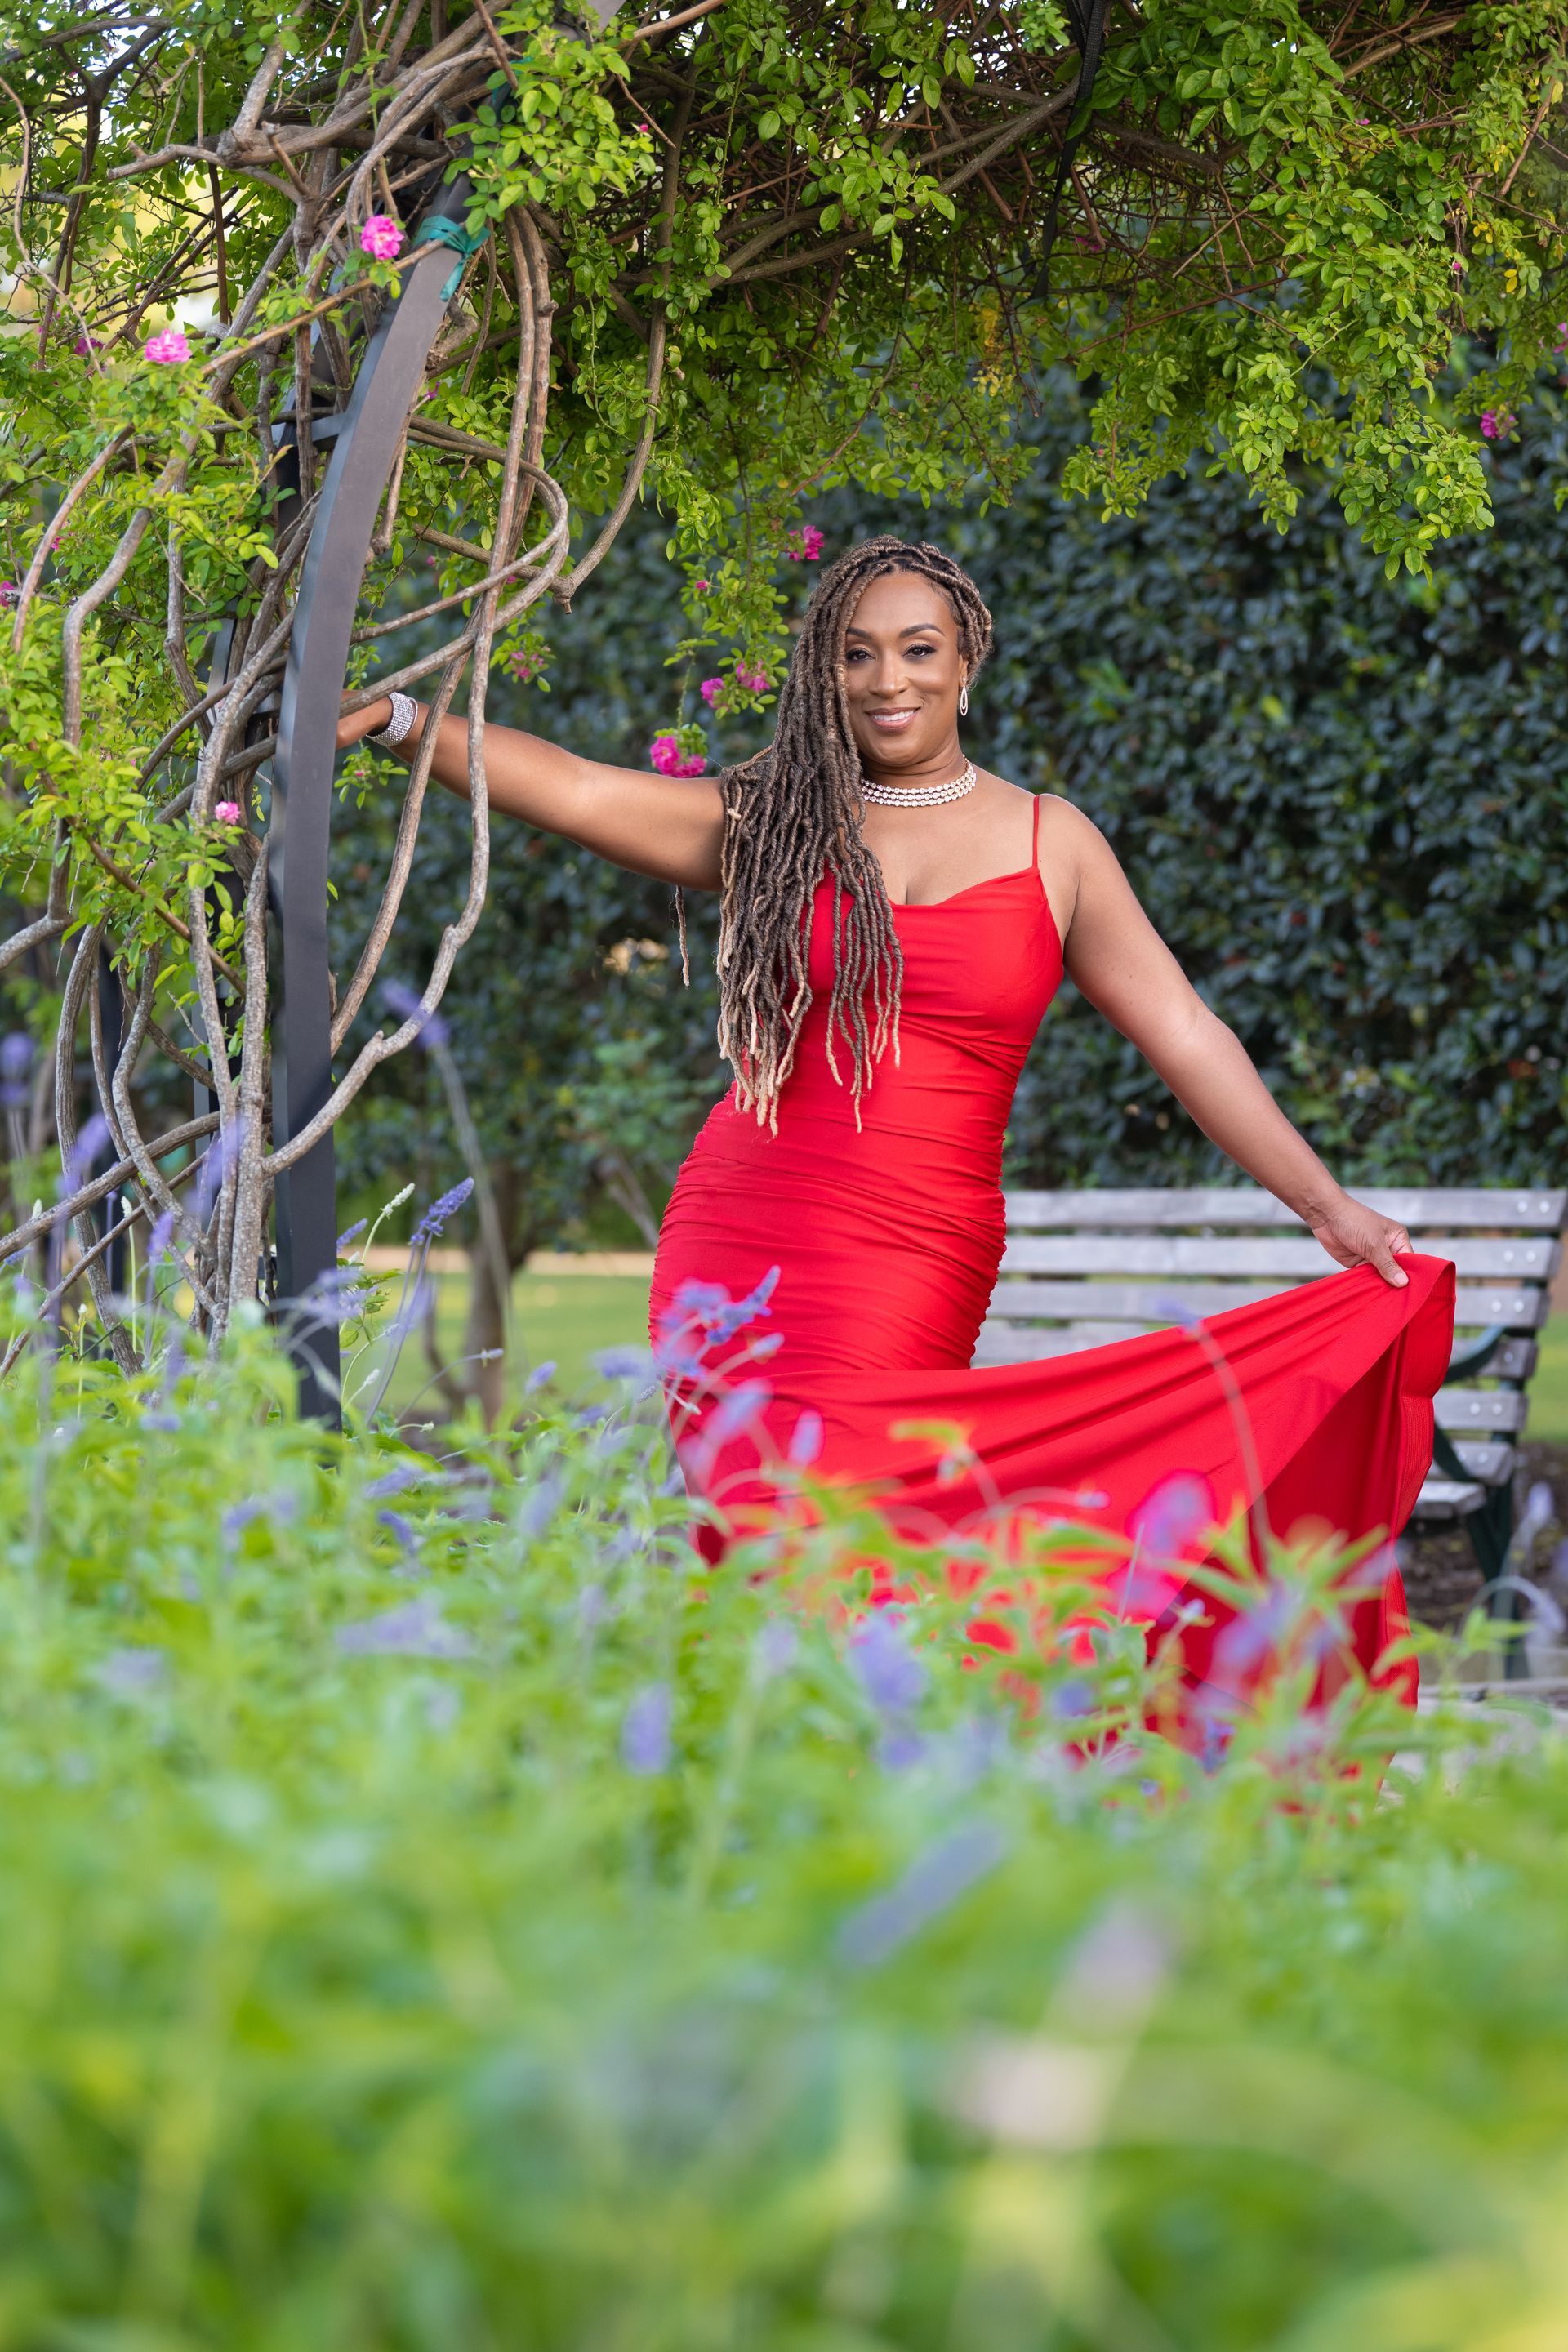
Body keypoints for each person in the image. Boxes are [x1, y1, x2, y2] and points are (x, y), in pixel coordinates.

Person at [336, 534, 1454, 1711]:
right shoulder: (775, 821)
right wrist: (405, 720)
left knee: (864, 1541)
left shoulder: (1050, 842)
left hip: (916, 1254)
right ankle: (783, 1803)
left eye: (919, 650)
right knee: (771, 1549)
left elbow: (1183, 1032)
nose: (890, 681)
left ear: (966, 658)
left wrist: (1325, 1206)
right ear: (828, 674)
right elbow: (574, 787)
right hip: (741, 1237)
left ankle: (894, 1792)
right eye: (858, 656)